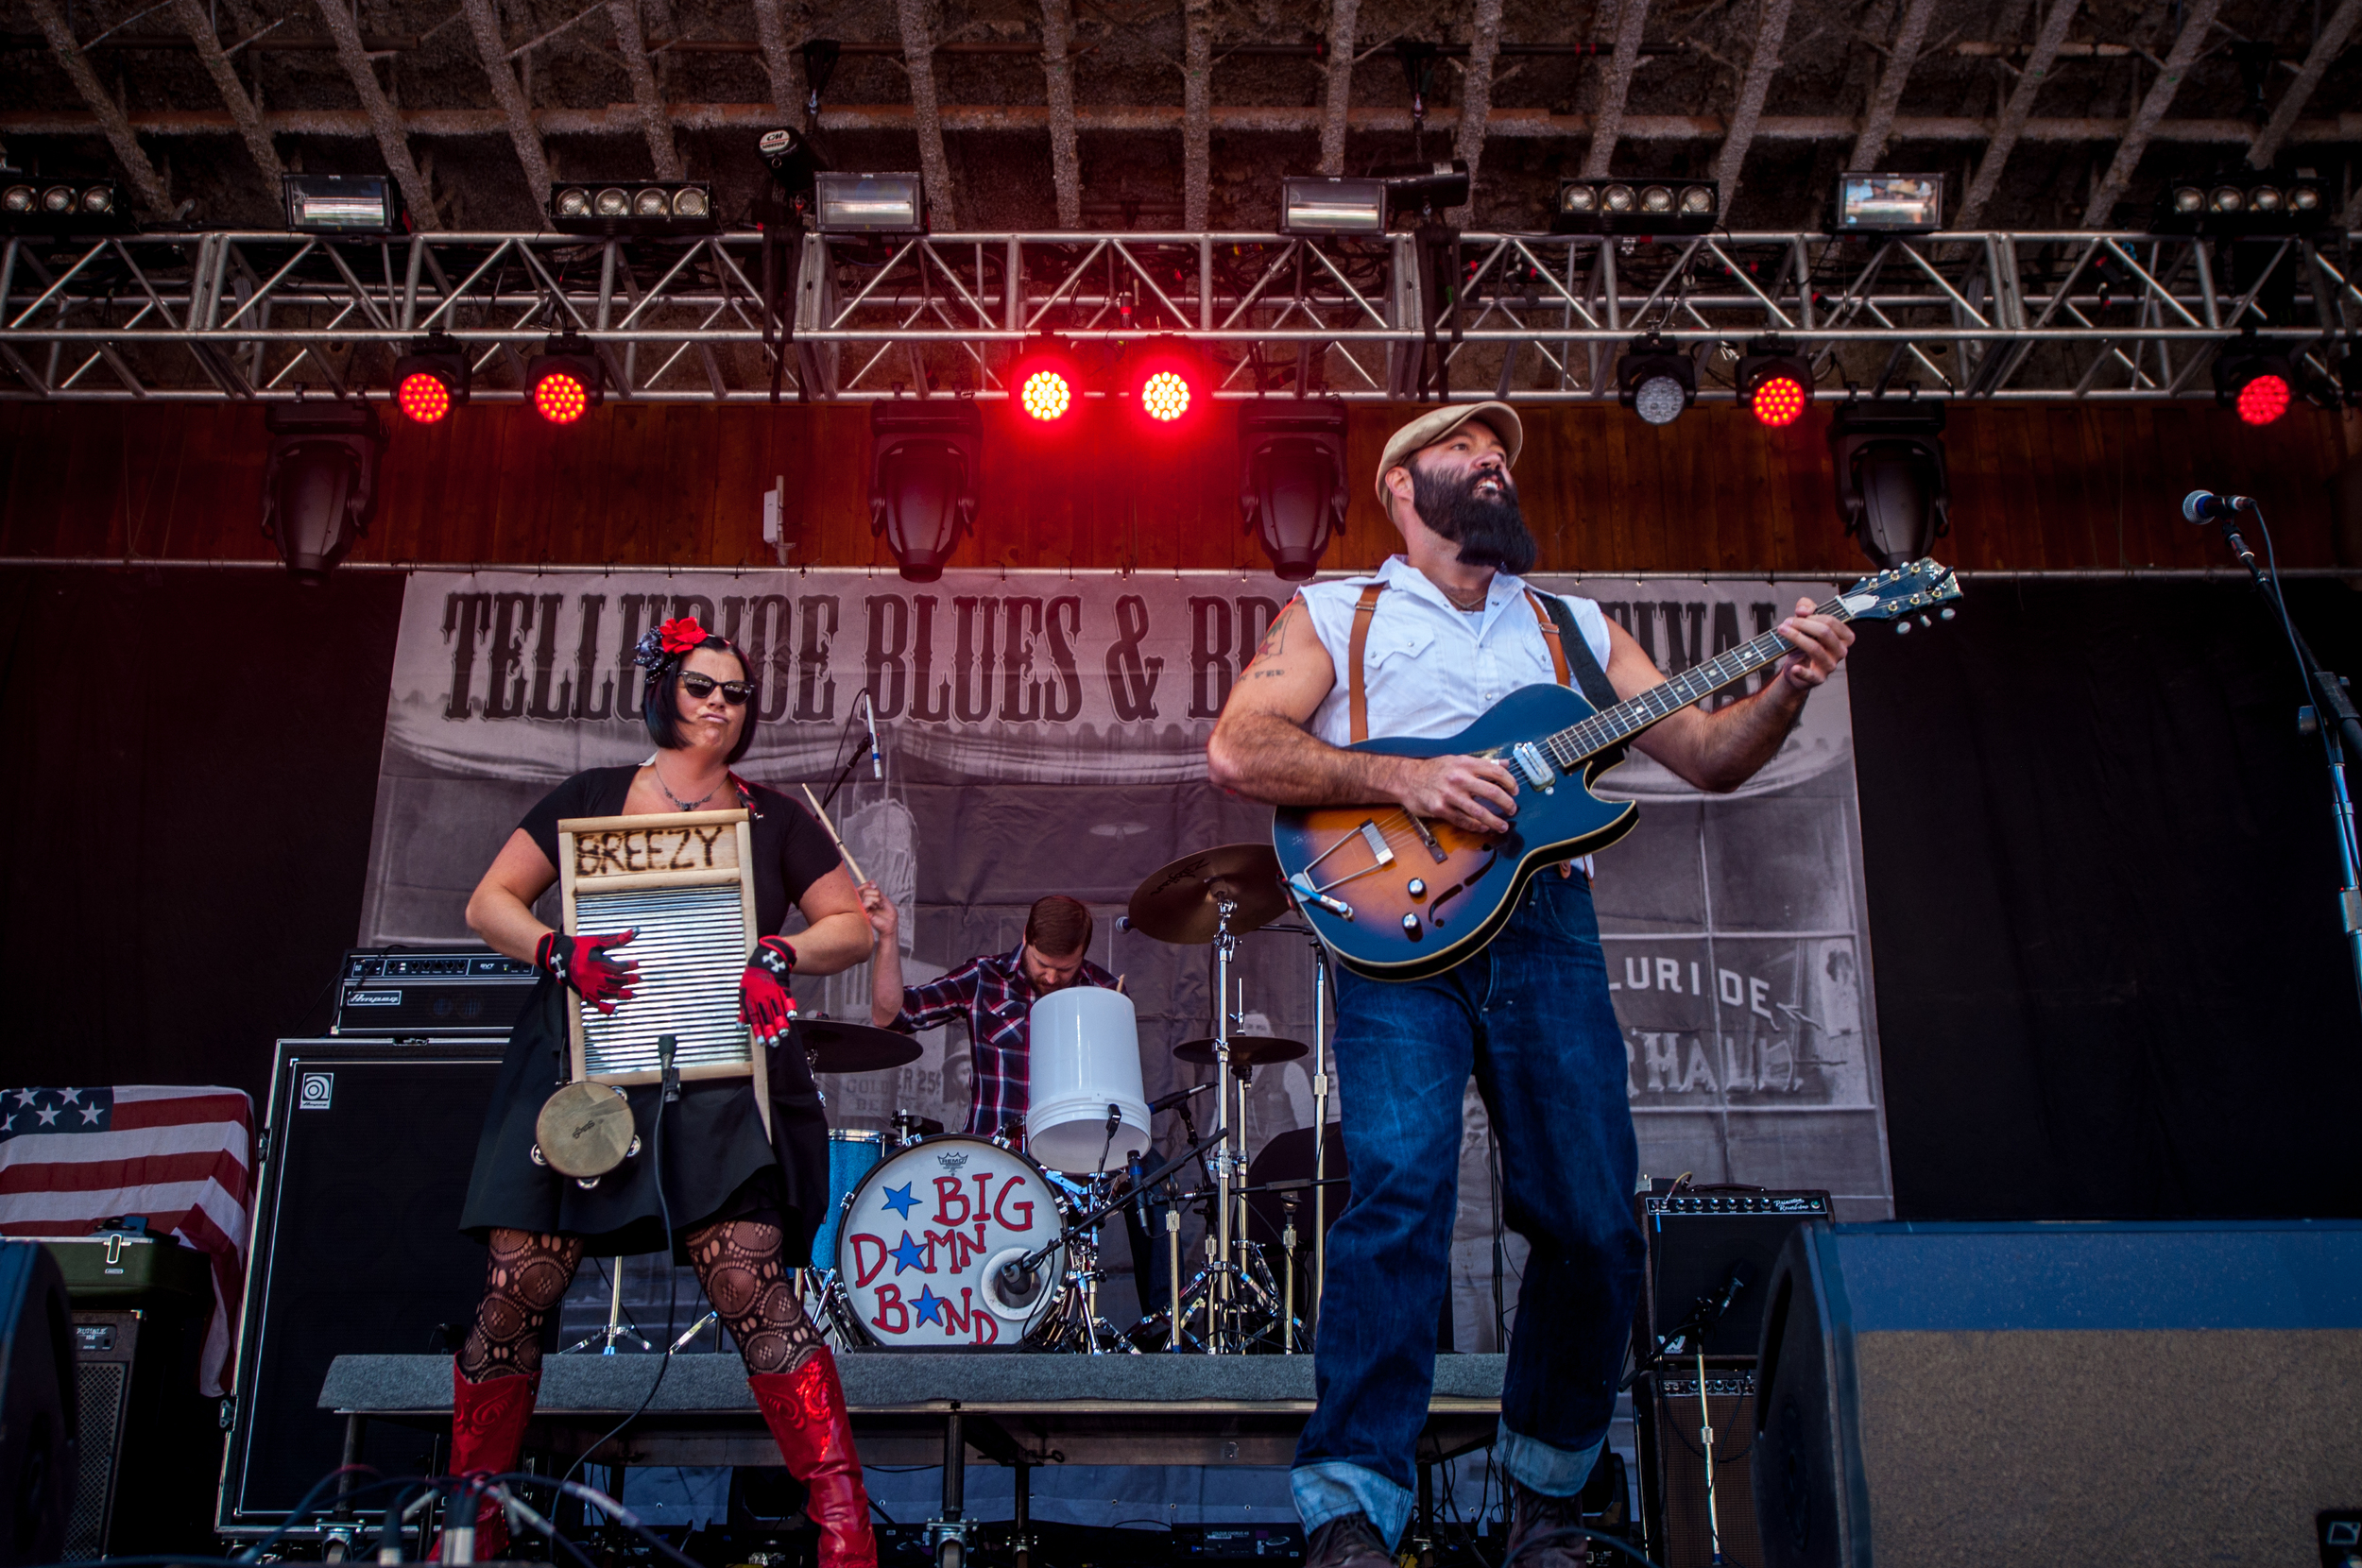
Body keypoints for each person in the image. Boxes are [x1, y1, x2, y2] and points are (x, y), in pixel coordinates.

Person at [1205, 403, 1855, 1568]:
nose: (1494, 460)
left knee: (1597, 1219)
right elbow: (1242, 745)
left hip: (1547, 928)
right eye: (1463, 449)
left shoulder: (1573, 627)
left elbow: (1708, 753)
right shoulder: (1337, 613)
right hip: (1395, 935)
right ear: (1402, 487)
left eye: (1501, 449)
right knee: (1397, 1198)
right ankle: (1351, 1508)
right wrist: (1407, 778)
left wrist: (1789, 684)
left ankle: (1546, 1498)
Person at [451, 616, 880, 1568]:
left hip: (717, 1071)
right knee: (520, 1287)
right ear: (660, 692)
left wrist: (781, 950)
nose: (719, 704)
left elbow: (850, 927)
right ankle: (467, 1531)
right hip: (586, 1062)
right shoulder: (591, 799)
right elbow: (490, 902)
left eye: (735, 692)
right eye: (700, 686)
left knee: (751, 1284)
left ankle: (845, 1535)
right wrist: (556, 948)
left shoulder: (772, 819)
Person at [857, 890, 1116, 1147]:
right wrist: (889, 936)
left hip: (1076, 1162)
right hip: (991, 1160)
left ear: (1083, 953)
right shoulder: (985, 977)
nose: (1050, 978)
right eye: (1042, 964)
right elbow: (892, 1016)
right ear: (1026, 936)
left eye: (1064, 970)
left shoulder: (1105, 992)